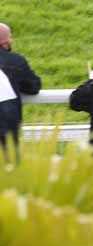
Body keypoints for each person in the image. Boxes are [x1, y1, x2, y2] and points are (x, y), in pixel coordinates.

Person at [0, 23, 41, 153]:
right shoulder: (15, 61)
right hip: (6, 125)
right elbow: (33, 87)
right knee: (10, 168)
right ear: (5, 41)